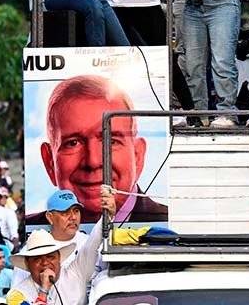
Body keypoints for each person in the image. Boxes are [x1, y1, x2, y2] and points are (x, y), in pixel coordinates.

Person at [32, 75, 166, 224]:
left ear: (137, 156)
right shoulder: (35, 231)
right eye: (73, 143)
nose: (93, 161)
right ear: (49, 162)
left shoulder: (168, 227)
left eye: (111, 141)